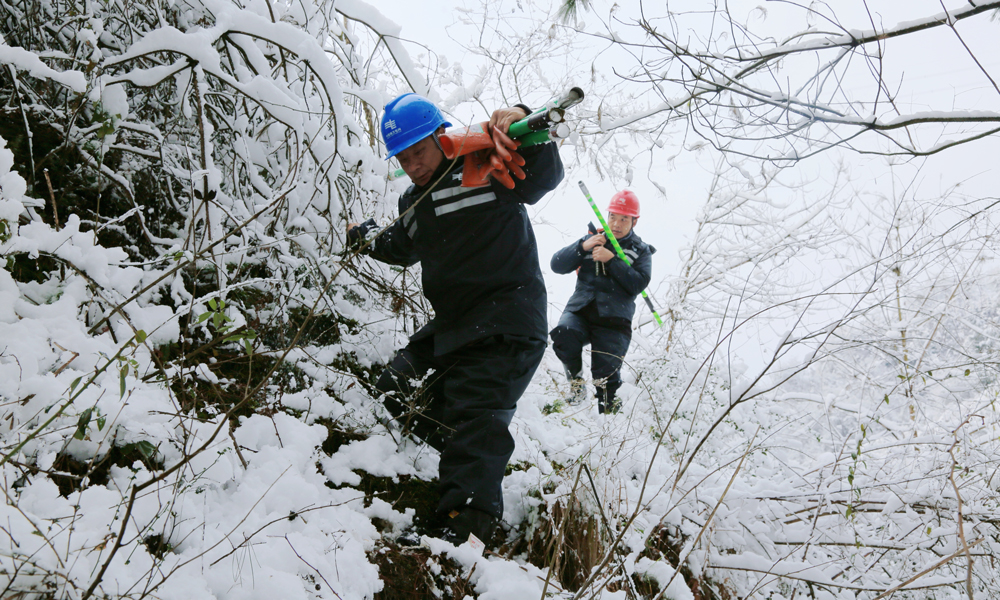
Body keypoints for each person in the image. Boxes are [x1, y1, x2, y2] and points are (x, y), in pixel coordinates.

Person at [346, 93, 564, 546]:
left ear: (440, 136)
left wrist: (524, 122)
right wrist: (363, 238)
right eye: (402, 159)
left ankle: (461, 533)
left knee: (474, 414)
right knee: (394, 385)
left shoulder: (487, 168)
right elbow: (394, 247)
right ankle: (465, 450)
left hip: (507, 319)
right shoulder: (415, 203)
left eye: (418, 152)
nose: (412, 164)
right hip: (455, 324)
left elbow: (542, 175)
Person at [549, 190, 654, 413]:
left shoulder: (641, 251)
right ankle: (576, 387)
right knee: (563, 332)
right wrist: (582, 246)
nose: (616, 223)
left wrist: (613, 260)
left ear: (635, 221)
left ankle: (608, 422)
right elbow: (556, 265)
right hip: (581, 310)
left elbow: (638, 284)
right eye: (613, 216)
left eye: (624, 219)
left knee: (605, 377)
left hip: (614, 320)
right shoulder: (591, 239)